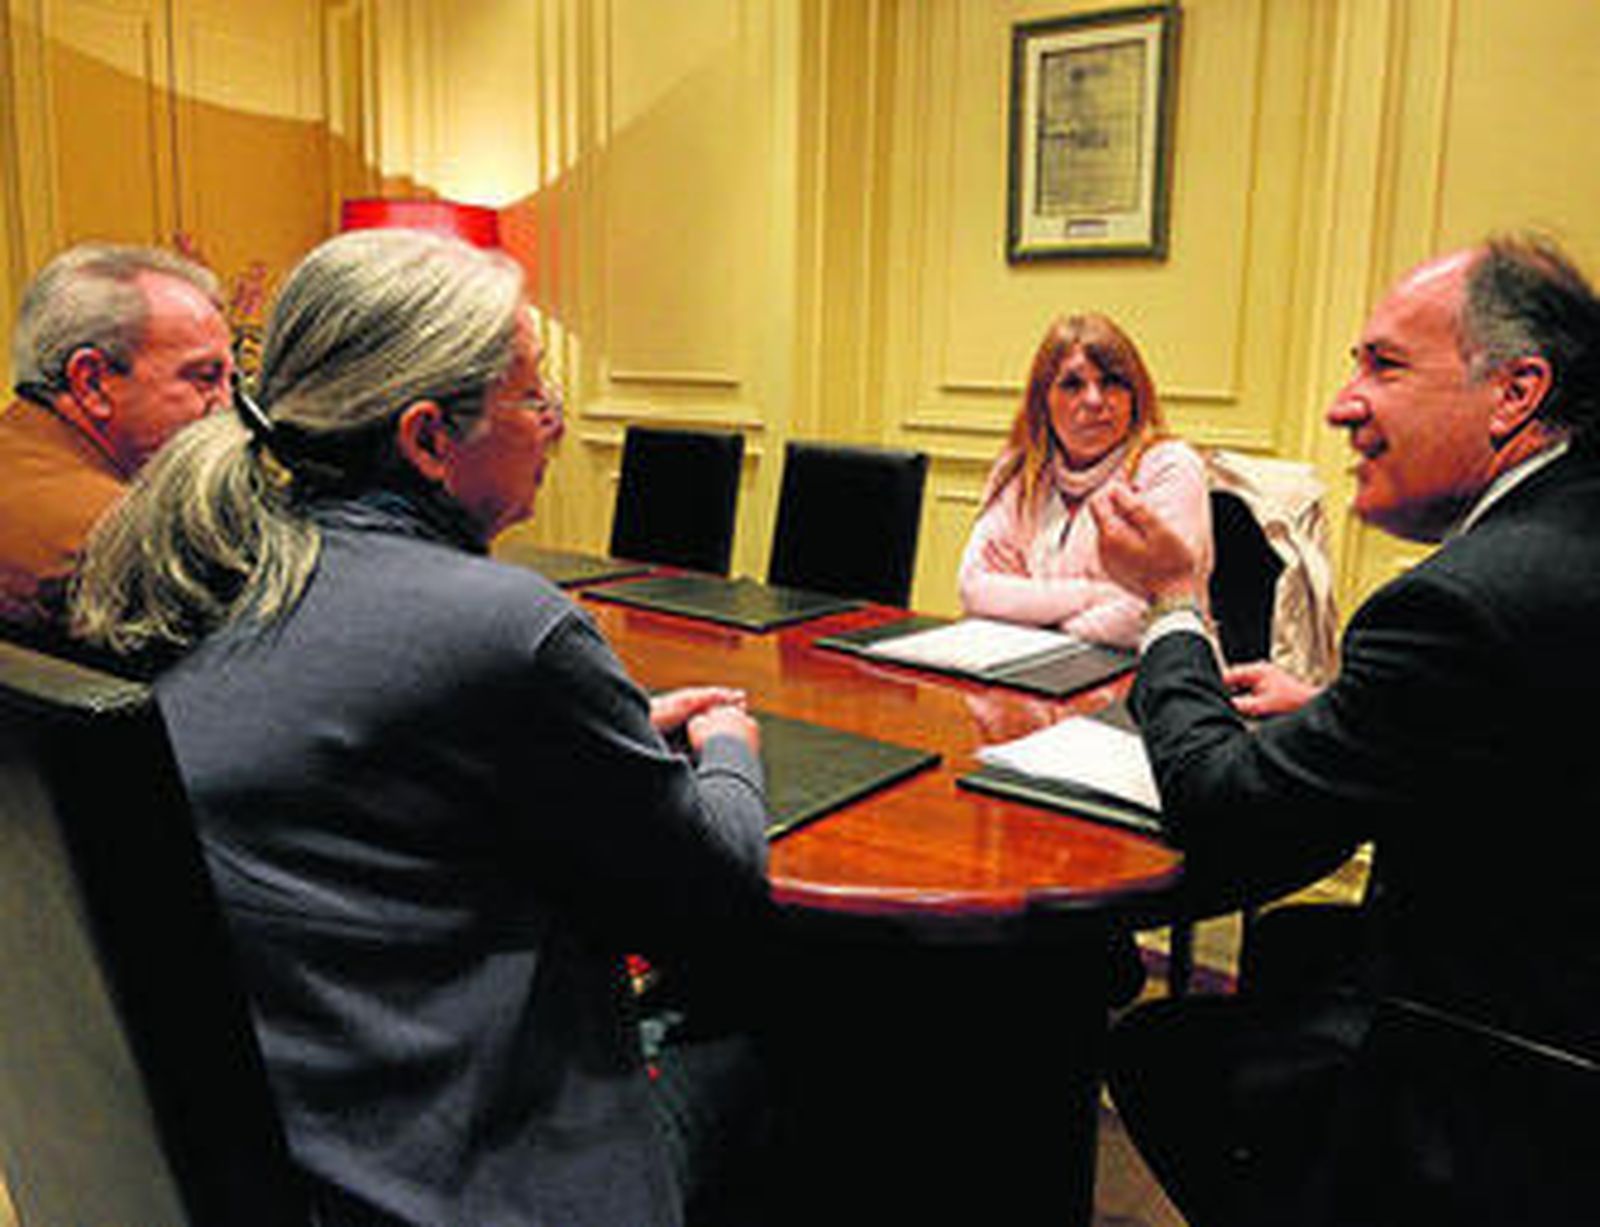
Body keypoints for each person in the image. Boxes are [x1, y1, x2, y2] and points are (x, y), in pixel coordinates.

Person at [71, 229, 770, 1227]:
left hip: (298, 1154)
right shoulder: (503, 628)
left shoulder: (202, 570)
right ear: (428, 438)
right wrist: (732, 751)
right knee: (809, 1019)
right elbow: (714, 902)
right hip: (477, 1185)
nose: (558, 427)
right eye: (535, 399)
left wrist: (599, 740)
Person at [1089, 234, 1600, 1226]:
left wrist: (1174, 603)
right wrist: (1336, 714)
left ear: (1516, 393)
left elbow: (1223, 809)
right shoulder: (1565, 538)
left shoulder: (1458, 602)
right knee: (1297, 947)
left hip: (1509, 1096)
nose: (1341, 403)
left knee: (1160, 1050)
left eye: (1382, 364)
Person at [0, 242, 232, 644]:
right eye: (206, 377)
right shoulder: (126, 542)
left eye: (234, 380)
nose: (228, 407)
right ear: (91, 383)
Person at [957, 312, 1212, 647]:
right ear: (1043, 400)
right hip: (1033, 675)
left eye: (1111, 382)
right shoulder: (1019, 471)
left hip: (1152, 677)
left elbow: (1153, 611)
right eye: (1072, 384)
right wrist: (1094, 593)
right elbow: (975, 589)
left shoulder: (1169, 466)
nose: (1094, 400)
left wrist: (1030, 609)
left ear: (1135, 395)